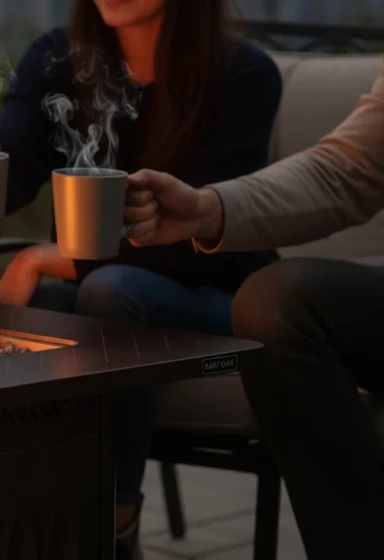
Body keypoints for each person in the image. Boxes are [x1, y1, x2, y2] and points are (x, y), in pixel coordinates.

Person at [0, 0, 282, 556]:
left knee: (105, 291)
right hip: (105, 298)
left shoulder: (243, 75)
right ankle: (20, 518)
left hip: (218, 298)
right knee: (41, 316)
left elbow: (214, 235)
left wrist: (45, 257)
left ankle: (113, 520)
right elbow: (13, 156)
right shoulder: (60, 58)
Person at [123, 55, 384, 560]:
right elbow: (344, 171)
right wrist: (206, 209)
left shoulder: (241, 73)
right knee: (276, 301)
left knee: (116, 290)